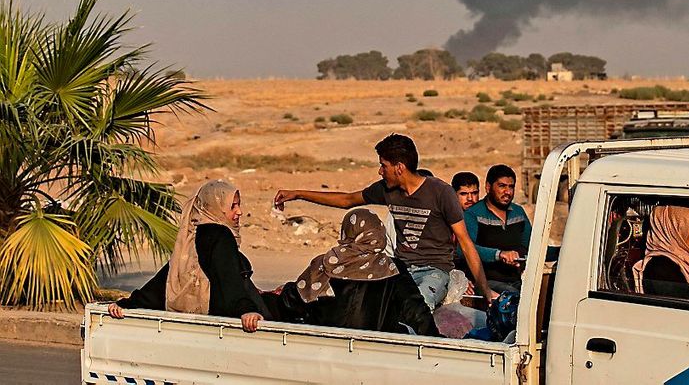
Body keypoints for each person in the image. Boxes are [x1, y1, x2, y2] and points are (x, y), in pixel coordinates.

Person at [274, 133, 493, 311]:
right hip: (398, 268)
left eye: (383, 165)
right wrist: (298, 194)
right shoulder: (387, 190)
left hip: (433, 270)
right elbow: (347, 199)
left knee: (418, 306)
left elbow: (465, 243)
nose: (380, 171)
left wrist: (485, 291)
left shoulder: (440, 192)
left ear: (399, 168)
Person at [107, 180, 269, 333]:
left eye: (238, 205)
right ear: (215, 207)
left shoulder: (194, 234)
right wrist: (247, 310)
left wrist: (131, 303)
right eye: (232, 206)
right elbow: (228, 278)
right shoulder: (219, 235)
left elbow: (171, 277)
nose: (239, 212)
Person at [273, 208, 439, 335]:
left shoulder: (326, 263)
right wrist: (436, 340)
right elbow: (416, 311)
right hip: (377, 346)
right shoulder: (392, 267)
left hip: (326, 345)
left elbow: (293, 301)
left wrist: (280, 292)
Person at [463, 165, 532, 293]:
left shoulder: (518, 212)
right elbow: (465, 249)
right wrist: (499, 254)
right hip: (487, 282)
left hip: (517, 280)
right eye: (502, 186)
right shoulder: (473, 214)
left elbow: (531, 245)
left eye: (511, 187)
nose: (508, 192)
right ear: (488, 187)